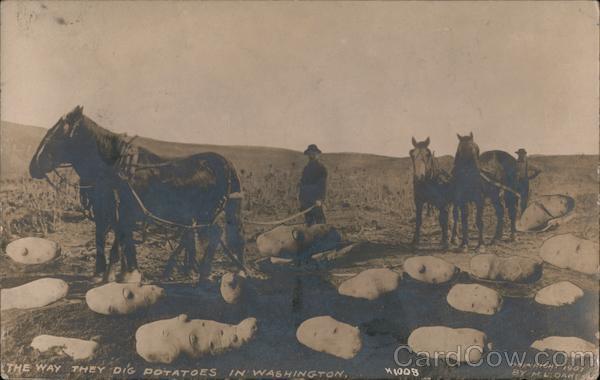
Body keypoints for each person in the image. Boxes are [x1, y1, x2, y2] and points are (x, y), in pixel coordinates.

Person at [299, 144, 327, 225]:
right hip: (306, 200)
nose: (312, 155)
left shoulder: (321, 168)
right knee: (309, 224)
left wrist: (320, 199)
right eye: (310, 153)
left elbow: (322, 185)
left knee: (320, 224)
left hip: (316, 200)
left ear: (317, 154)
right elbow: (303, 184)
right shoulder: (306, 169)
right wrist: (301, 199)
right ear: (308, 155)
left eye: (314, 153)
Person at [515, 148, 541, 213]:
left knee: (524, 199)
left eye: (522, 154)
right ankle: (515, 213)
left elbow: (538, 170)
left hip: (524, 183)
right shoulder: (515, 163)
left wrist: (531, 177)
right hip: (516, 182)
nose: (520, 156)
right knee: (515, 198)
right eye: (519, 154)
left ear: (524, 155)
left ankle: (523, 214)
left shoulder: (527, 164)